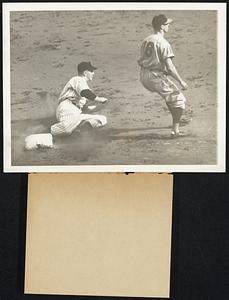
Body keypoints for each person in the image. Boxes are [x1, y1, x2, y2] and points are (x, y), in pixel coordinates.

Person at [138, 14, 188, 138]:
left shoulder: (147, 39)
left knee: (170, 97)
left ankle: (176, 122)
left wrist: (159, 69)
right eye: (167, 24)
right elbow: (170, 67)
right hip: (154, 76)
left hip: (144, 75)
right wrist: (181, 81)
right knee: (180, 100)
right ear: (161, 26)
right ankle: (175, 131)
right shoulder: (163, 43)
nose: (169, 26)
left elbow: (141, 60)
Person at [51, 61, 108, 136]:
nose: (93, 73)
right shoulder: (77, 79)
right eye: (91, 71)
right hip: (67, 107)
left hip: (75, 112)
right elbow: (85, 92)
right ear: (85, 73)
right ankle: (51, 131)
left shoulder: (82, 85)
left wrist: (96, 107)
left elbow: (83, 107)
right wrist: (99, 99)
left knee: (101, 119)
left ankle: (78, 131)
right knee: (67, 129)